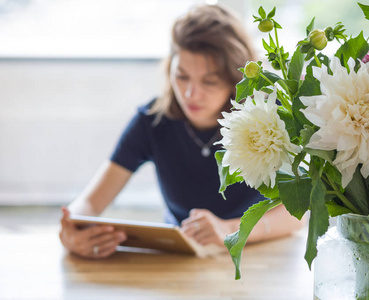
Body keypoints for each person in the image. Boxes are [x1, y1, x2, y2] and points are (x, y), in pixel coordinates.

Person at [59, 4, 303, 259]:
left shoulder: (270, 117)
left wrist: (231, 231)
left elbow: (299, 214)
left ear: (237, 81)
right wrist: (72, 229)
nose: (190, 94)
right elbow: (89, 202)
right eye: (182, 76)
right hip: (184, 262)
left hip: (263, 258)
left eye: (209, 81)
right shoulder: (152, 121)